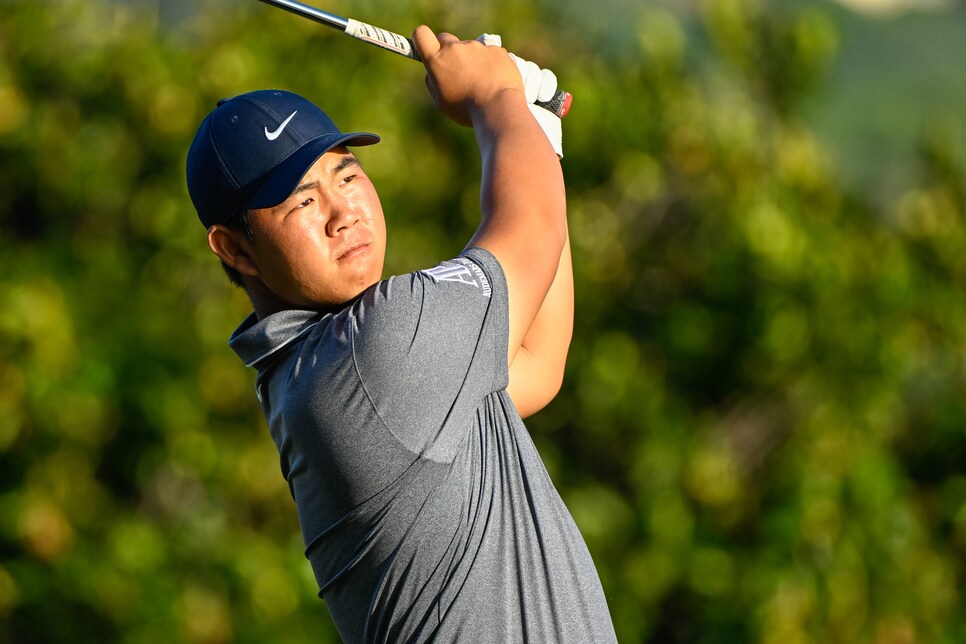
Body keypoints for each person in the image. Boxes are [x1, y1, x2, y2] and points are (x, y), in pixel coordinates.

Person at [185, 25, 616, 642]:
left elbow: (536, 363)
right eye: (301, 202)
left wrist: (535, 126)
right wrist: (495, 99)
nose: (343, 214)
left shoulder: (326, 373)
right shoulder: (370, 354)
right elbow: (529, 230)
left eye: (348, 176)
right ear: (235, 250)